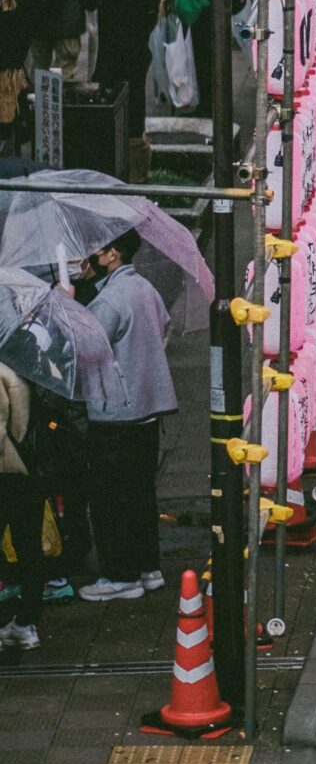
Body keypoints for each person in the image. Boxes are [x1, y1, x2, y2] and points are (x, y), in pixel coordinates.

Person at [77, 231, 174, 600]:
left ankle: (120, 575)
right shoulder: (144, 288)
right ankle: (148, 567)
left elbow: (86, 347)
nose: (87, 257)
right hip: (147, 410)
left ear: (111, 254)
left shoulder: (111, 299)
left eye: (95, 249)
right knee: (139, 494)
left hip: (114, 414)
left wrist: (71, 305)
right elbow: (163, 325)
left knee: (109, 497)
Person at [0, 358, 49, 651]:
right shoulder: (23, 370)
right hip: (29, 472)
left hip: (5, 473)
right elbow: (20, 428)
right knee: (29, 546)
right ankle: (27, 623)